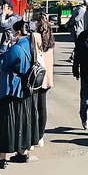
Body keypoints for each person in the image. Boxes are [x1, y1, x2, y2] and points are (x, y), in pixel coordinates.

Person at [0, 18, 37, 168]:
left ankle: (2, 158)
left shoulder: (16, 49)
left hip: (12, 90)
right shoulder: (31, 45)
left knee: (6, 123)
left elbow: (2, 63)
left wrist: (3, 47)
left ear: (18, 32)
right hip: (26, 90)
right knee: (22, 122)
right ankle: (23, 153)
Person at [30, 11, 55, 148]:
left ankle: (33, 136)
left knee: (33, 108)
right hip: (46, 77)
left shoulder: (35, 37)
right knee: (42, 107)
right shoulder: (50, 39)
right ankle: (40, 135)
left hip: (35, 76)